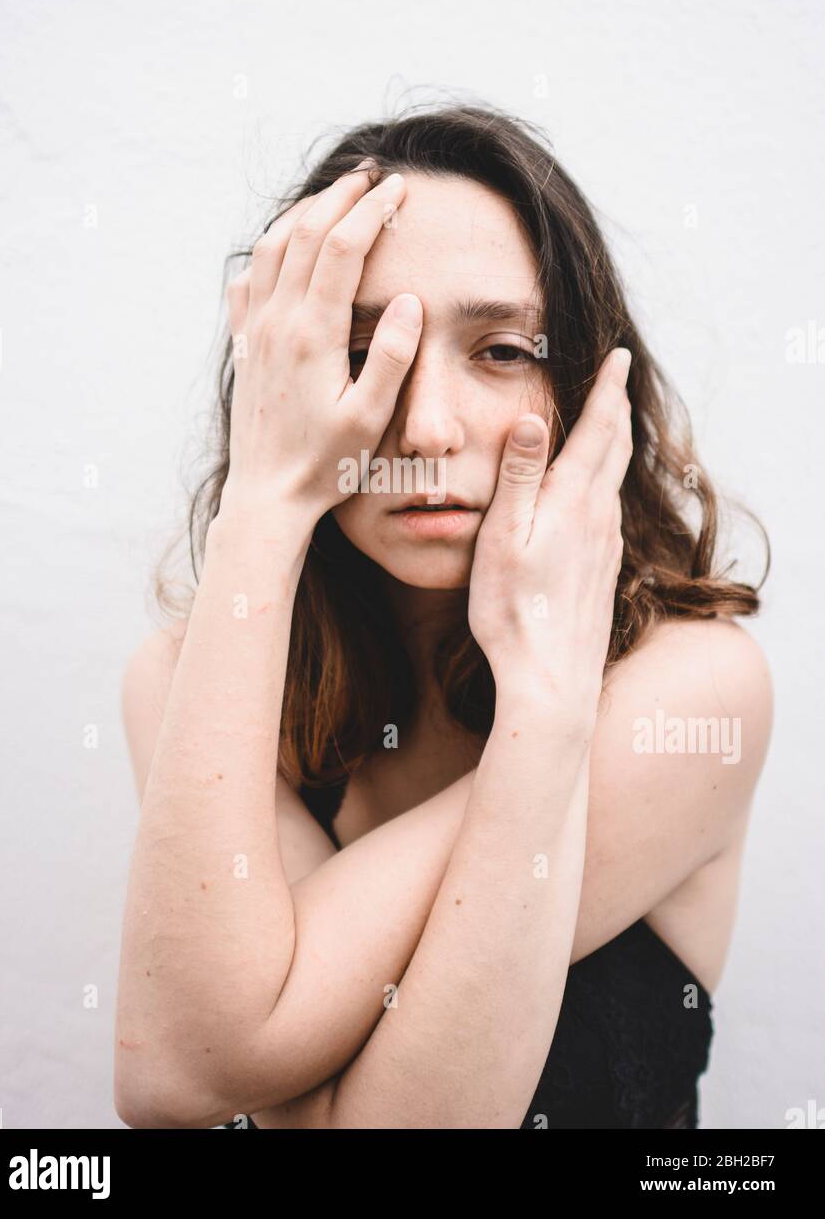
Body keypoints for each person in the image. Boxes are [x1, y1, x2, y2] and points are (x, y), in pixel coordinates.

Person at [114, 103, 772, 1129]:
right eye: (363, 350)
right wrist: (264, 497)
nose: (422, 426)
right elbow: (179, 1073)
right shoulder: (179, 684)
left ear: (589, 385)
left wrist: (546, 710)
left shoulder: (690, 695)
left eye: (502, 348)